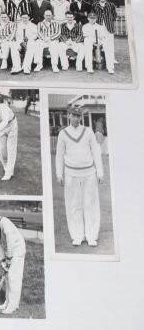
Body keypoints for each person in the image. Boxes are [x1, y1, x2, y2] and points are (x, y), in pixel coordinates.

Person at [55, 106, 103, 247]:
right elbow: (59, 155)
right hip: (71, 173)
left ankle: (91, 235)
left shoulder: (88, 131)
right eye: (73, 115)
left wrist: (100, 172)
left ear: (81, 117)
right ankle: (77, 235)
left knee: (90, 204)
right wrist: (59, 174)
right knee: (74, 205)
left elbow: (96, 152)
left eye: (78, 116)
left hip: (89, 172)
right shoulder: (63, 133)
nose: (76, 118)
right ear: (68, 116)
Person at [0, 205, 26, 314]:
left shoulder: (4, 222)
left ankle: (13, 305)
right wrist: (3, 260)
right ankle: (7, 302)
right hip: (9, 250)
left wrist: (9, 258)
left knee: (13, 276)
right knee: (7, 277)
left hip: (17, 248)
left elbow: (10, 241)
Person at [91, 0, 117, 74]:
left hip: (109, 27)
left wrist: (108, 21)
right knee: (99, 43)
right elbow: (92, 15)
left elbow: (114, 15)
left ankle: (112, 60)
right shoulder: (94, 5)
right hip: (99, 27)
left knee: (110, 44)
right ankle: (98, 60)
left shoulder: (111, 5)